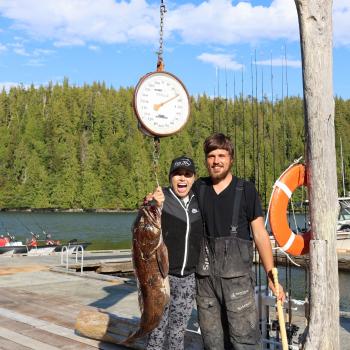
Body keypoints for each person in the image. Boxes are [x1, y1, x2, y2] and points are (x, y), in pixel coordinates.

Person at [194, 133, 285, 350]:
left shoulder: (246, 190)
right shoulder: (198, 188)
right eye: (211, 156)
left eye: (221, 155)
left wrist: (271, 275)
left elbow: (260, 234)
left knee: (244, 342)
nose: (216, 161)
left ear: (231, 158)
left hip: (239, 284)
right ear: (206, 159)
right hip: (205, 282)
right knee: (212, 341)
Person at [145, 156, 203, 350]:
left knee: (177, 331)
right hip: (162, 277)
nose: (182, 179)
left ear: (194, 178)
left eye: (187, 174)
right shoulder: (161, 197)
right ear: (170, 177)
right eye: (178, 174)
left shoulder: (199, 200)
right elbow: (143, 223)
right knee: (156, 328)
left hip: (188, 279)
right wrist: (152, 205)